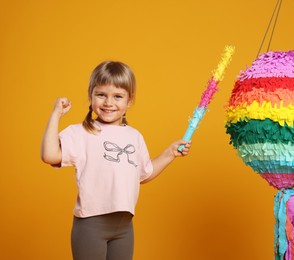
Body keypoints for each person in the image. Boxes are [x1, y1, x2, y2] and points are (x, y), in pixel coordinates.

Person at [40, 61, 191, 260]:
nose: (108, 103)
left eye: (117, 96)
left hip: (124, 228)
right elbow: (49, 155)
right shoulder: (81, 133)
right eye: (101, 95)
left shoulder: (134, 137)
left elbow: (144, 174)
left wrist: (169, 153)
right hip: (91, 226)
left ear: (129, 101)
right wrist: (55, 115)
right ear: (91, 96)